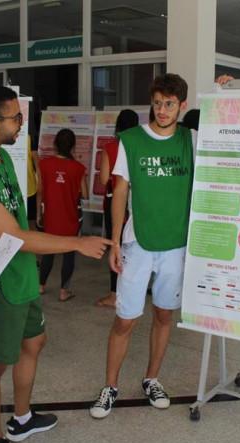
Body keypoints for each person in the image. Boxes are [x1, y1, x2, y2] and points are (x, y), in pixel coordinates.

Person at [0, 84, 111, 443]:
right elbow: (13, 237)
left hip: (21, 274)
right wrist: (77, 242)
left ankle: (21, 419)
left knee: (34, 342)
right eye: (16, 117)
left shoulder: (2, 157)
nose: (22, 123)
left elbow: (20, 222)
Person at [89, 73, 230, 419]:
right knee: (125, 319)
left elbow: (230, 131)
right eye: (157, 103)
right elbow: (120, 191)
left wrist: (221, 92)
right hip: (139, 243)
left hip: (177, 246)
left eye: (169, 104)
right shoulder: (131, 140)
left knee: (164, 315)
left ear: (182, 106)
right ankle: (110, 386)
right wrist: (117, 242)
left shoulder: (192, 140)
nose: (162, 110)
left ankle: (152, 378)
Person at [37, 128, 89, 302]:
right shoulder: (78, 168)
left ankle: (41, 285)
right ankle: (64, 291)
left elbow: (40, 192)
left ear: (55, 145)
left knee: (48, 252)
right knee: (69, 253)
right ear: (73, 146)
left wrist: (39, 214)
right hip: (70, 218)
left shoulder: (44, 164)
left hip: (50, 217)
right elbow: (86, 194)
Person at [95, 109, 139, 308]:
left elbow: (104, 179)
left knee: (116, 245)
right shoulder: (140, 146)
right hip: (137, 204)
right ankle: (136, 287)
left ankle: (114, 294)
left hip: (114, 201)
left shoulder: (111, 147)